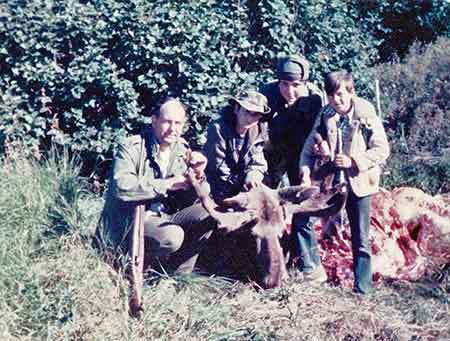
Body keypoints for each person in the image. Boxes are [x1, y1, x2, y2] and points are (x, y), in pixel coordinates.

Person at [297, 70, 390, 294]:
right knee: (302, 217)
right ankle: (312, 271)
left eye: (340, 94)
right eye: (330, 95)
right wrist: (305, 171)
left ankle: (363, 290)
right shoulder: (326, 114)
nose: (335, 100)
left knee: (360, 238)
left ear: (351, 92)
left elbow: (382, 149)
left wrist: (353, 161)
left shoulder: (365, 113)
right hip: (331, 183)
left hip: (359, 182)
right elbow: (307, 149)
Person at [96, 97, 212, 273]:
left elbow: (191, 198)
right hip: (129, 220)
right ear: (154, 120)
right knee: (172, 236)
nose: (173, 129)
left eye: (178, 123)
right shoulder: (132, 146)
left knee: (209, 215)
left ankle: (178, 276)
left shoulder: (181, 149)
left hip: (164, 215)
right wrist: (166, 185)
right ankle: (134, 268)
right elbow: (122, 186)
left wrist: (198, 175)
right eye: (167, 122)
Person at [259, 54, 323, 188]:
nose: (290, 91)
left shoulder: (315, 98)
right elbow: (255, 124)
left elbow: (321, 131)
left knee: (302, 189)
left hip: (303, 147)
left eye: (296, 85)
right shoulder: (268, 92)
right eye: (284, 84)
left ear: (305, 84)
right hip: (275, 145)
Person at [203, 90, 270, 202]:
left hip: (241, 185)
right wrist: (237, 189)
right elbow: (218, 167)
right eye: (247, 112)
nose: (250, 118)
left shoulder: (258, 132)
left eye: (256, 114)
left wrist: (252, 177)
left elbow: (258, 162)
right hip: (216, 185)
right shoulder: (219, 128)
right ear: (236, 109)